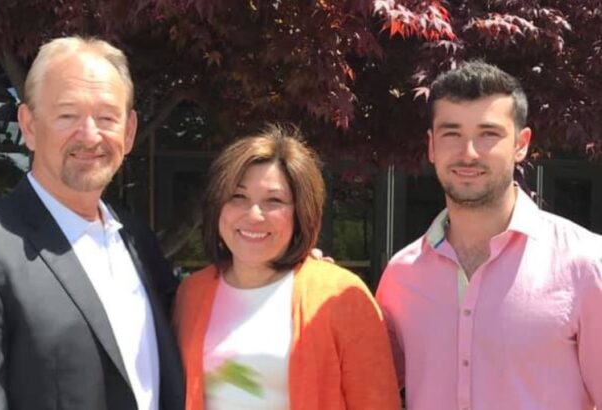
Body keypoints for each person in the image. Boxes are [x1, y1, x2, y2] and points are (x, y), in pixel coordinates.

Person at [376, 60, 602, 409]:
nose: (468, 153)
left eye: (489, 134)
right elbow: (361, 381)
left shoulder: (586, 264)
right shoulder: (400, 276)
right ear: (432, 146)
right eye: (451, 133)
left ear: (521, 144)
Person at [0, 36, 184, 410]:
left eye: (108, 117)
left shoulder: (138, 241)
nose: (90, 135)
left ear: (128, 132)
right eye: (67, 115)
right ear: (28, 126)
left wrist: (284, 270)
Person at [172, 124, 401, 410]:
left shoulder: (341, 296)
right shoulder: (191, 294)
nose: (254, 215)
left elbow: (377, 402)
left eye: (274, 201)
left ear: (301, 214)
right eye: (238, 197)